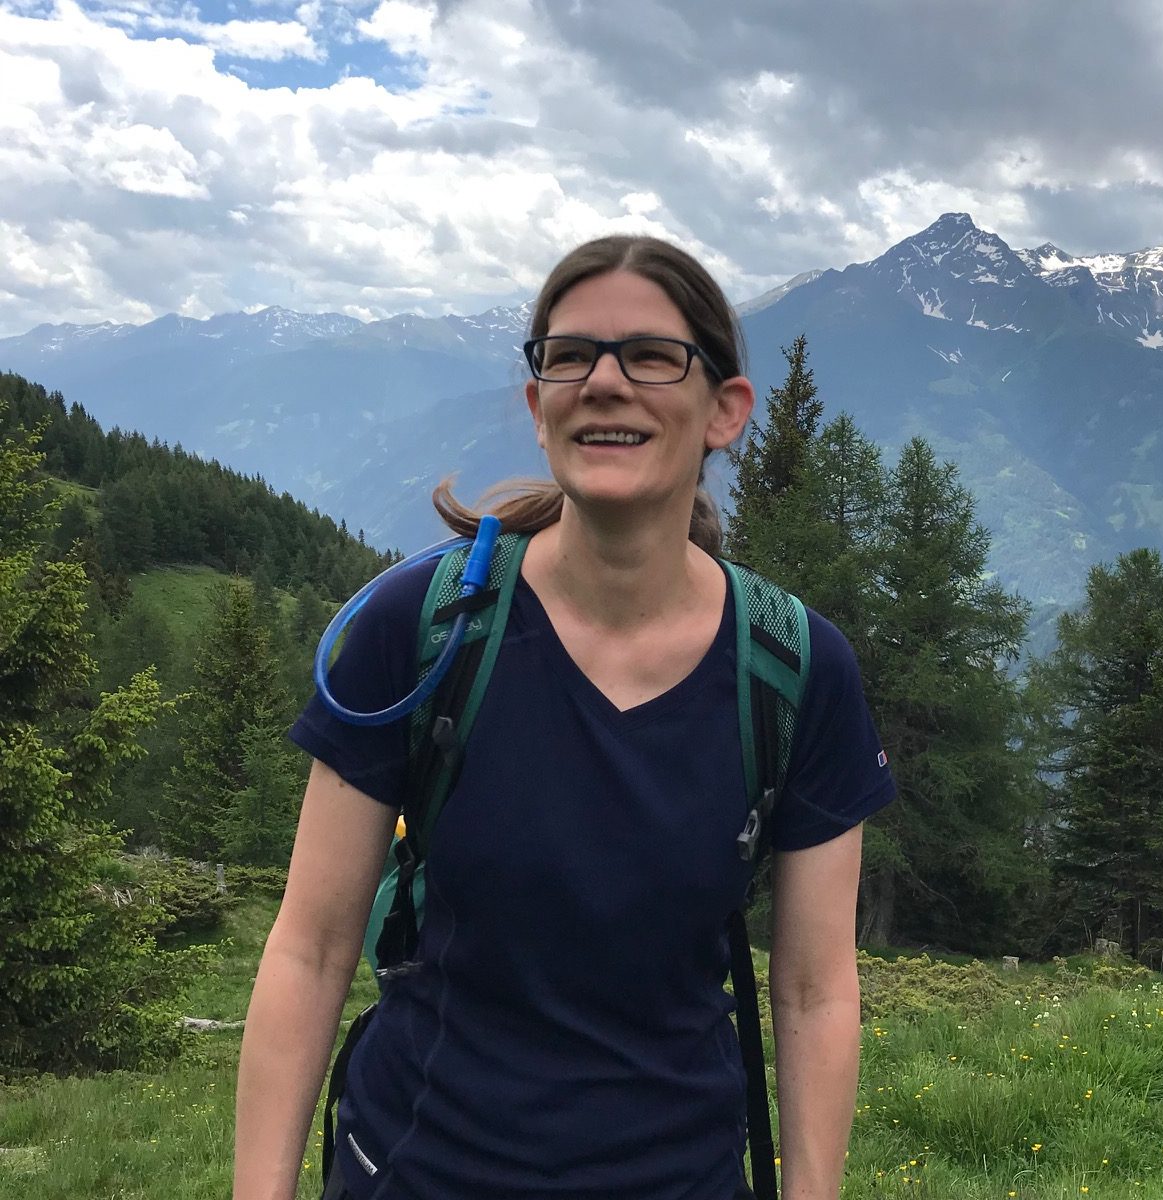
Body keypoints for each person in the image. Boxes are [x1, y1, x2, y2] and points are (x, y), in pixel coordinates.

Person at [233, 235, 895, 1200]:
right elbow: (312, 944)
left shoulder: (796, 670)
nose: (605, 381)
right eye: (571, 355)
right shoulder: (423, 631)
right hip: (420, 1170)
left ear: (726, 412)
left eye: (652, 356)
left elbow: (815, 989)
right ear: (539, 405)